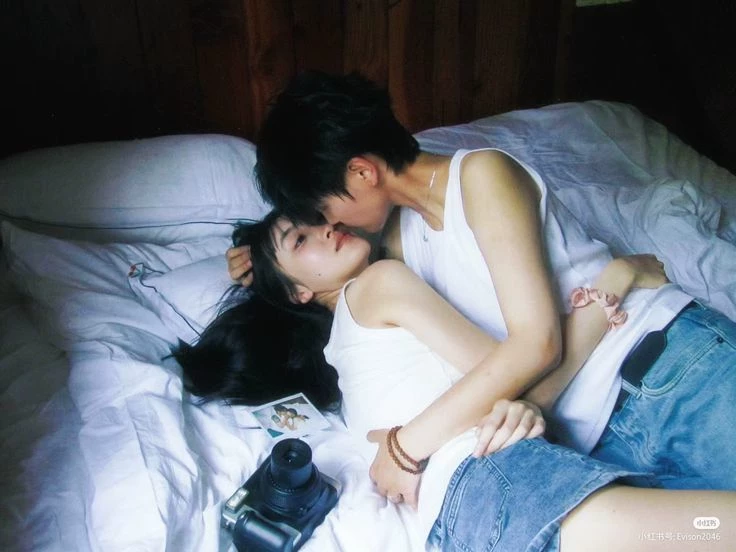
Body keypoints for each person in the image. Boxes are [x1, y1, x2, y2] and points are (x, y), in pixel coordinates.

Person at [227, 71, 736, 500]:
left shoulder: (482, 175)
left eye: (323, 209)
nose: (329, 223)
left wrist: (405, 448)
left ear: (362, 172)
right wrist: (262, 264)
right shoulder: (397, 239)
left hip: (665, 371)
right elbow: (331, 273)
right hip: (594, 440)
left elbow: (537, 344)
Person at [182, 212, 736, 552]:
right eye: (302, 238)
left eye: (318, 217)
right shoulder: (377, 284)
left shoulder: (346, 371)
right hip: (495, 478)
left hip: (462, 520)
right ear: (296, 292)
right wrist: (618, 276)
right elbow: (518, 366)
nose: (327, 227)